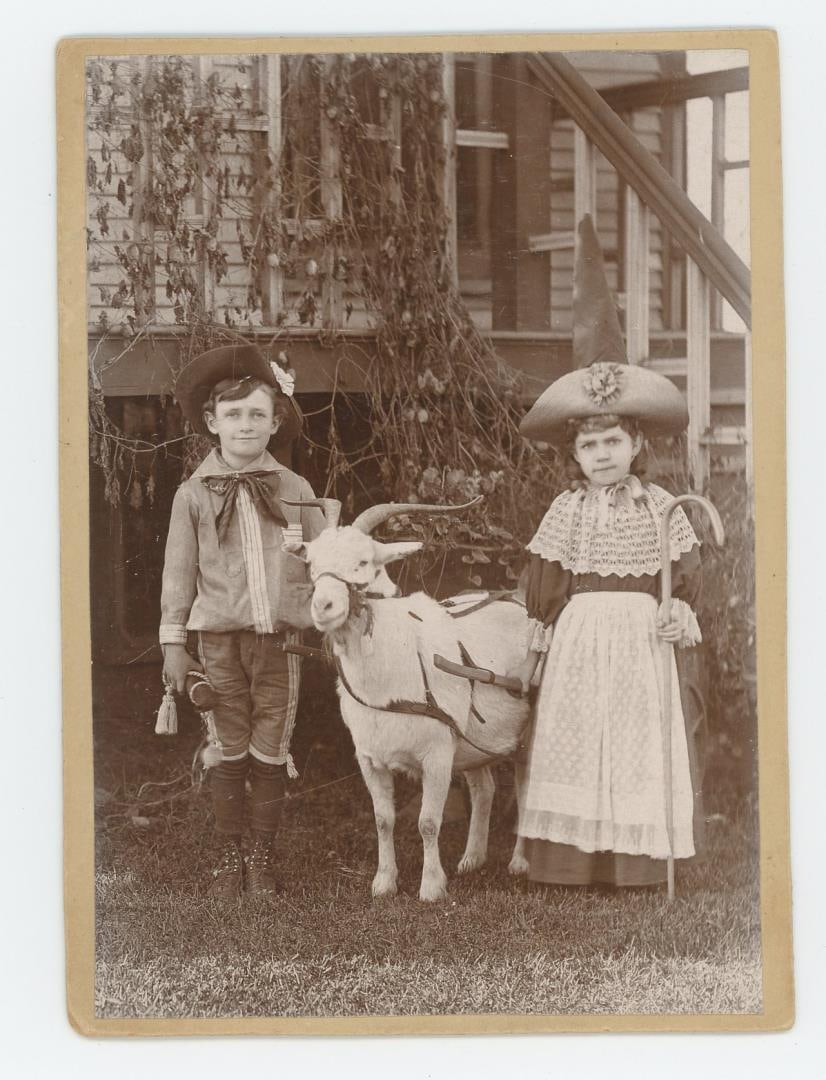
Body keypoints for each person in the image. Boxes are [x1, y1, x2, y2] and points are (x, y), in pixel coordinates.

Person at [508, 216, 705, 888]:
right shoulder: (569, 508)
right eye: (588, 447)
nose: (600, 457)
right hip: (582, 634)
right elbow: (546, 578)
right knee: (577, 732)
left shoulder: (661, 507)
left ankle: (637, 864)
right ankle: (570, 861)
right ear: (575, 454)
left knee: (634, 741)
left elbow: (686, 577)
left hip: (640, 636)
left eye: (612, 443)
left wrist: (678, 608)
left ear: (637, 446)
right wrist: (542, 629)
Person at [160, 343, 326, 901]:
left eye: (258, 413)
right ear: (212, 423)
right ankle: (230, 857)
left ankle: (262, 858)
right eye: (233, 415)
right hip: (219, 643)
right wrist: (173, 644)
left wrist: (325, 608)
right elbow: (178, 576)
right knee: (229, 746)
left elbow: (322, 563)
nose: (246, 424)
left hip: (281, 644)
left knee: (271, 745)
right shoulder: (193, 495)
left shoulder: (297, 490)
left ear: (276, 420)